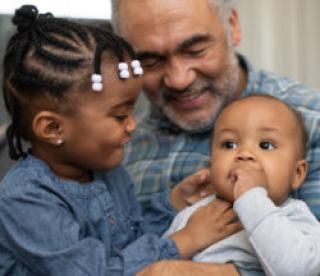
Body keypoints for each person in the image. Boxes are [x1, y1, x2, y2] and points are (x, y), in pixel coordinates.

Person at [0, 5, 243, 275]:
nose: (133, 124)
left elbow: (129, 237)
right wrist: (185, 240)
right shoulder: (25, 200)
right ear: (53, 128)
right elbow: (96, 271)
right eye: (119, 116)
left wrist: (172, 203)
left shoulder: (105, 169)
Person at [110, 0, 320, 219]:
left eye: (195, 51)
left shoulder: (312, 121)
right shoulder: (113, 144)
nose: (179, 80)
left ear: (232, 27)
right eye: (151, 62)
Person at [165, 95, 320, 276]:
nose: (245, 154)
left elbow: (298, 270)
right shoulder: (193, 215)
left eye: (265, 145)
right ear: (211, 164)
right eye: (229, 144)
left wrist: (252, 198)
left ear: (297, 174)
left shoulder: (295, 217)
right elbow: (159, 266)